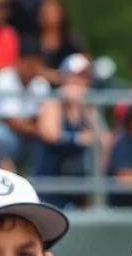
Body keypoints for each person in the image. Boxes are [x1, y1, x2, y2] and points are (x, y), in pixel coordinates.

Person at [35, 53, 100, 208]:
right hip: (51, 184)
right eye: (77, 76)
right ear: (65, 78)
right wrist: (78, 138)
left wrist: (84, 109)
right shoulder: (53, 102)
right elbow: (49, 133)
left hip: (79, 186)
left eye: (86, 77)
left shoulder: (88, 107)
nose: (82, 82)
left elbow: (103, 140)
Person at [0, 36, 49, 173]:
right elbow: (10, 122)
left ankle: (37, 184)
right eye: (30, 63)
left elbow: (41, 118)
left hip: (29, 134)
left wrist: (41, 130)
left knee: (46, 143)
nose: (33, 68)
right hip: (5, 131)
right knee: (4, 138)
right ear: (18, 62)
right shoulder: (4, 78)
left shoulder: (41, 84)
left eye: (37, 63)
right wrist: (41, 131)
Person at [34, 0, 83, 83]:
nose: (50, 16)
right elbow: (31, 69)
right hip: (39, 85)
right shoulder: (32, 40)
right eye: (47, 12)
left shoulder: (70, 40)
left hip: (67, 86)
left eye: (54, 12)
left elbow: (84, 64)